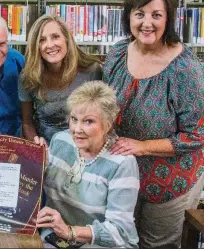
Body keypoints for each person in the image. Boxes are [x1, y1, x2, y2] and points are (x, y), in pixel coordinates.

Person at [102, 0, 204, 248]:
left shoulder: (185, 70)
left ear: (169, 19)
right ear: (128, 18)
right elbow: (104, 104)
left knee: (155, 244)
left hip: (170, 178)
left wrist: (143, 146)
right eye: (140, 14)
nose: (147, 23)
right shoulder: (117, 53)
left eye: (156, 15)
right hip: (125, 171)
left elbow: (197, 135)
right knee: (121, 238)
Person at [37, 81, 139, 248]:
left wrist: (71, 231)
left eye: (88, 121)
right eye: (74, 119)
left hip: (102, 243)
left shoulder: (122, 162)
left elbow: (121, 232)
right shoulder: (60, 140)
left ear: (107, 123)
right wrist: (34, 164)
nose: (77, 129)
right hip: (56, 237)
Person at [19, 15, 101, 144]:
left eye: (55, 37)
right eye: (42, 40)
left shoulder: (91, 71)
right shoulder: (28, 77)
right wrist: (35, 142)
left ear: (66, 39)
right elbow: (27, 122)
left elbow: (101, 118)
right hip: (47, 149)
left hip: (83, 148)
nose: (50, 45)